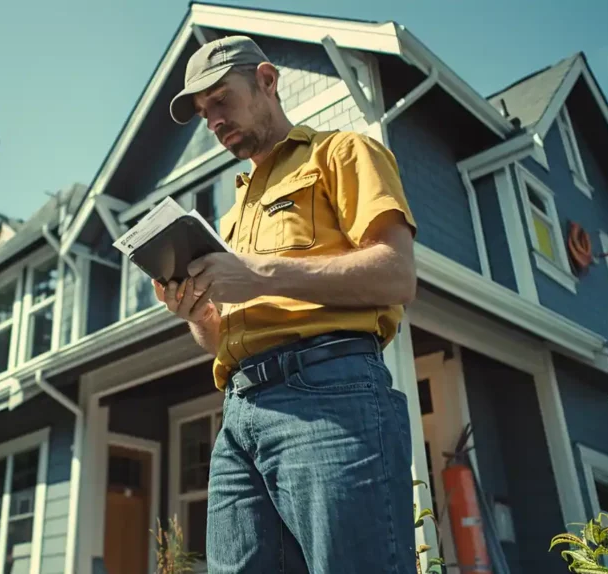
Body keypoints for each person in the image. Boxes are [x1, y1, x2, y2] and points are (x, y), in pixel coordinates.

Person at [153, 35, 419, 573]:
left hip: (329, 396)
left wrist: (256, 274)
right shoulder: (231, 218)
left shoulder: (343, 152)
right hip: (239, 413)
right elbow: (220, 335)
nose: (214, 122)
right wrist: (196, 314)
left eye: (221, 100)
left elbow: (396, 275)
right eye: (205, 114)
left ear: (267, 81)